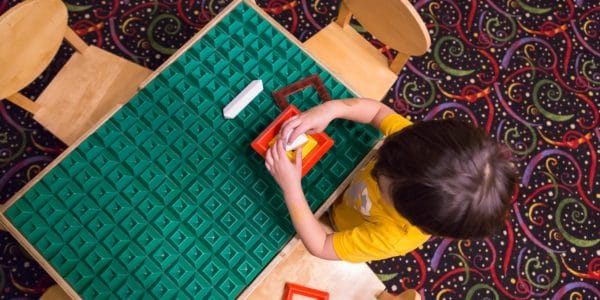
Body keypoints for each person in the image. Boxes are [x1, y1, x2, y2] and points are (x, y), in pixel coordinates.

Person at [264, 98, 516, 263]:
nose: (376, 171)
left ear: (409, 216)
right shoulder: (417, 150)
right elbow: (376, 111)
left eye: (382, 182)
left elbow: (321, 245)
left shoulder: (392, 237)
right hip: (342, 184)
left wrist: (291, 188)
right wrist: (332, 109)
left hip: (334, 224)